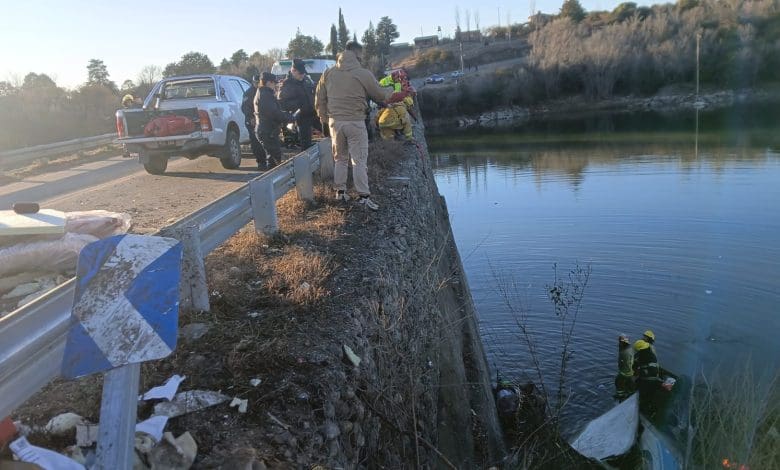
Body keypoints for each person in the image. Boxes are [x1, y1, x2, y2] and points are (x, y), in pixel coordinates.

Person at [315, 41, 400, 211]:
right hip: (355, 121)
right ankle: (363, 196)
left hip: (335, 123)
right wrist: (393, 89)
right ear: (358, 55)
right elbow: (379, 94)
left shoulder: (328, 73)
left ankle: (340, 192)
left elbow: (319, 99)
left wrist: (325, 119)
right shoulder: (363, 73)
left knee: (339, 158)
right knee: (359, 160)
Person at [254, 72, 293, 170]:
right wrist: (288, 117)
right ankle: (273, 182)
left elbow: (274, 111)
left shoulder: (263, 93)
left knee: (273, 157)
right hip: (267, 130)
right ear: (268, 82)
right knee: (274, 159)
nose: (275, 85)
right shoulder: (265, 95)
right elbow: (274, 113)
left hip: (266, 129)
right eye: (273, 83)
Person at [279, 59, 316, 150]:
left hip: (313, 113)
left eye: (303, 73)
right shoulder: (287, 84)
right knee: (306, 143)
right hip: (301, 117)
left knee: (328, 131)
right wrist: (298, 106)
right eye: (300, 73)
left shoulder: (306, 80)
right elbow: (282, 103)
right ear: (293, 71)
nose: (302, 75)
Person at [242, 75, 267, 169]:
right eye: (256, 83)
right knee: (256, 142)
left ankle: (267, 160)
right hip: (252, 120)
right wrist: (251, 117)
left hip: (262, 119)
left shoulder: (263, 91)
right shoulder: (249, 93)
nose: (257, 84)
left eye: (258, 82)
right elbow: (245, 107)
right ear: (253, 83)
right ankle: (261, 162)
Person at [633, 339, 662, 414]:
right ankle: (652, 410)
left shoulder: (640, 357)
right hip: (656, 379)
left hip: (647, 382)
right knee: (650, 398)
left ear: (640, 350)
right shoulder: (652, 355)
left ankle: (641, 410)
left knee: (637, 388)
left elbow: (634, 368)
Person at [614, 334, 635, 401]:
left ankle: (621, 395)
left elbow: (626, 364)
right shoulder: (628, 348)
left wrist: (623, 372)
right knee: (628, 383)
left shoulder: (625, 352)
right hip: (629, 371)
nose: (619, 342)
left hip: (626, 372)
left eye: (619, 341)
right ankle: (629, 393)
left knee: (618, 382)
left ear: (622, 342)